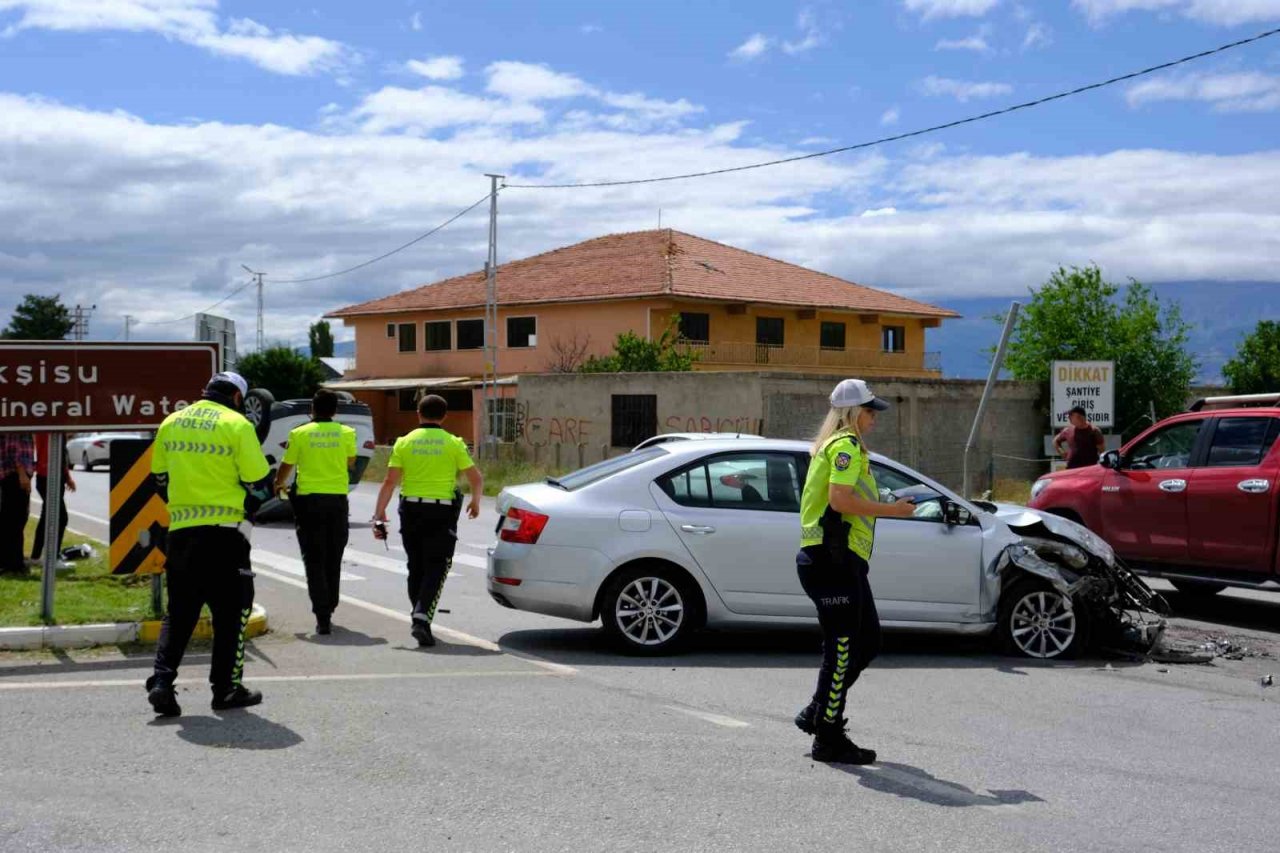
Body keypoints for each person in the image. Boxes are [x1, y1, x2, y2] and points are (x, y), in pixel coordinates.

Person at [793, 379, 915, 765]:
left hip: (838, 561)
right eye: (869, 410)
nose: (873, 417)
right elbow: (840, 499)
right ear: (851, 413)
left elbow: (847, 498)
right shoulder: (845, 446)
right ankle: (827, 736)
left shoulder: (840, 447)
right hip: (832, 560)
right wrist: (893, 511)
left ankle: (818, 711)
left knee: (867, 642)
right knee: (844, 649)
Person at [145, 371, 273, 718]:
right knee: (232, 612)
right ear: (236, 397)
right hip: (226, 534)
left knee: (180, 613)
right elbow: (259, 481)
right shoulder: (237, 424)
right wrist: (251, 505)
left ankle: (161, 683)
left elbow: (159, 479)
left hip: (182, 532)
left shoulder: (171, 422)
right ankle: (226, 689)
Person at [373, 394, 482, 648]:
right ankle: (421, 618)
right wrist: (476, 501)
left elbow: (390, 481)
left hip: (410, 510)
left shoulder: (404, 442)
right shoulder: (453, 443)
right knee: (437, 565)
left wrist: (379, 513)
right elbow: (476, 478)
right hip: (441, 513)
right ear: (444, 416)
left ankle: (419, 617)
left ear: (418, 414)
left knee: (416, 566)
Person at [274, 389, 356, 635]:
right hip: (337, 502)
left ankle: (322, 614)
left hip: (309, 502)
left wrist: (278, 484)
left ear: (312, 408)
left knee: (314, 557)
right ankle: (330, 603)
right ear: (335, 411)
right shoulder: (347, 433)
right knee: (334, 555)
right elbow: (350, 462)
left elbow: (287, 465)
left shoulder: (299, 433)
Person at [31, 434, 76, 569]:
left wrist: (67, 477)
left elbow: (60, 454)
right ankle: (52, 558)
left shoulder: (57, 429)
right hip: (48, 476)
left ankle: (36, 556)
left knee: (46, 518)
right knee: (61, 517)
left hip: (51, 475)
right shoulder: (51, 426)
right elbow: (52, 453)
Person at [0, 433, 34, 575]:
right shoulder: (18, 418)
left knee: (10, 519)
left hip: (11, 474)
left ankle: (9, 561)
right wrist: (21, 473)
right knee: (16, 519)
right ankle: (14, 564)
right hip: (15, 474)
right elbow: (14, 447)